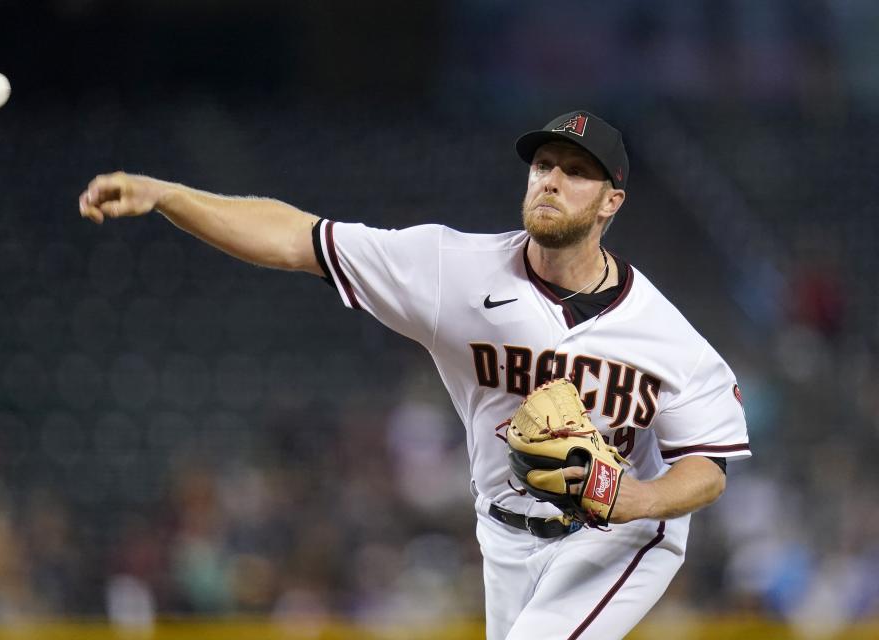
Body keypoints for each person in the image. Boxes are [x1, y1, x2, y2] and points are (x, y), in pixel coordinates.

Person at [79, 110, 750, 639]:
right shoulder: (452, 271)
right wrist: (167, 194)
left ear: (611, 202)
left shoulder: (668, 337)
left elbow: (708, 469)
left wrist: (635, 499)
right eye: (544, 163)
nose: (550, 179)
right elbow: (296, 238)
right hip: (506, 534)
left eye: (576, 171)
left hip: (623, 536)